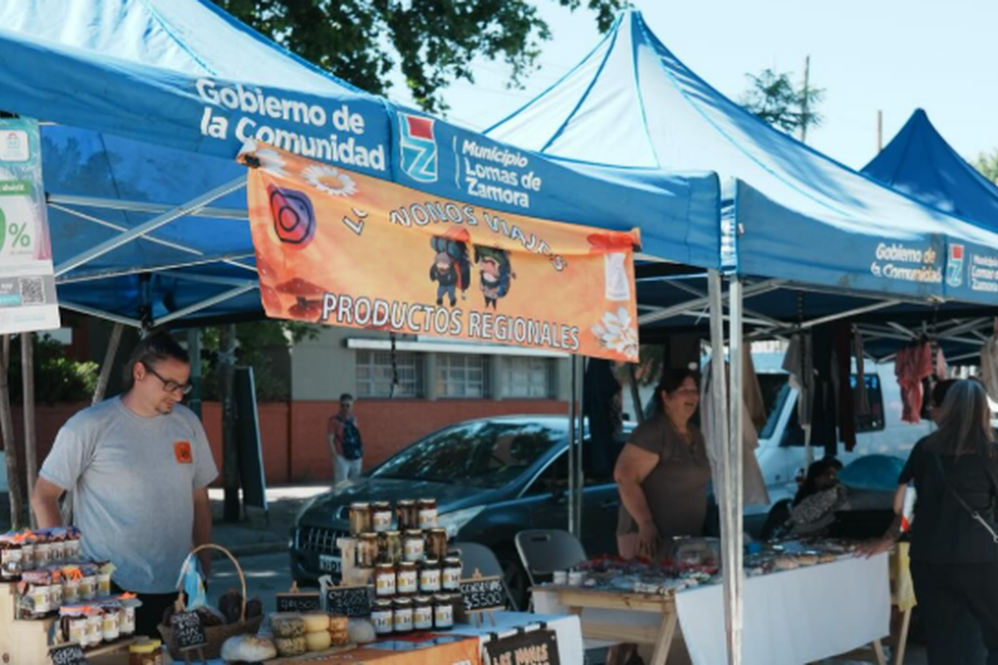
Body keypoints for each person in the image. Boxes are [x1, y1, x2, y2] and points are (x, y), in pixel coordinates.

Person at [31, 332, 217, 637]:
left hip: (183, 589)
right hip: (110, 594)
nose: (179, 395)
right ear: (139, 372)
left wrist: (204, 567)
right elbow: (43, 495)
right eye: (170, 385)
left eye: (184, 386)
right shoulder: (89, 426)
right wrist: (67, 573)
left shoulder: (188, 423)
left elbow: (199, 499)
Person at [861, 380, 998, 664]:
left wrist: (887, 539)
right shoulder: (991, 450)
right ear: (983, 410)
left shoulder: (925, 448)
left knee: (943, 639)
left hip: (928, 559)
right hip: (980, 559)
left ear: (947, 409)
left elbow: (903, 505)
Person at [614, 368, 711, 560]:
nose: (692, 396)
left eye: (694, 391)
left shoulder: (696, 433)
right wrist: (645, 523)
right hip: (649, 541)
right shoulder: (654, 432)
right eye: (684, 390)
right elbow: (624, 477)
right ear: (666, 397)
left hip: (684, 542)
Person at [329, 393, 364, 482]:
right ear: (339, 405)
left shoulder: (354, 419)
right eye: (342, 405)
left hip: (356, 455)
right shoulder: (334, 420)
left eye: (347, 405)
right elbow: (330, 438)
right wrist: (335, 455)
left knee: (356, 481)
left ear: (352, 405)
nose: (345, 408)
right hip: (341, 455)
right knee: (341, 482)